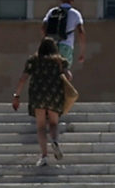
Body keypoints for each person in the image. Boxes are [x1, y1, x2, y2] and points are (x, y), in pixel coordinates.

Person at [12, 41, 74, 169]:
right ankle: (55, 141)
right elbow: (69, 76)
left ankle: (44, 156)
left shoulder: (33, 60)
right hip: (54, 94)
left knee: (40, 126)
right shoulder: (60, 61)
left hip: (38, 95)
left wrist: (16, 96)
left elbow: (23, 78)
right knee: (53, 123)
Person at [41, 0, 85, 70]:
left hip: (52, 45)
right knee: (64, 71)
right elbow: (81, 32)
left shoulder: (52, 11)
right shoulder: (75, 13)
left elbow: (43, 28)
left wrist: (46, 42)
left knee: (52, 70)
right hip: (66, 45)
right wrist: (82, 52)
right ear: (72, 0)